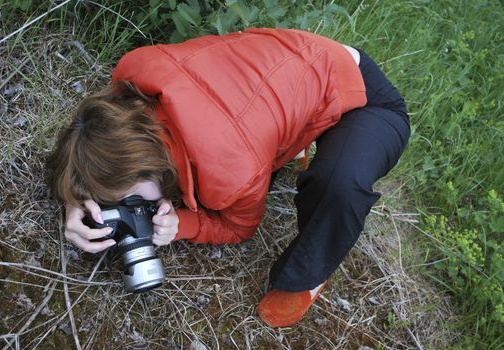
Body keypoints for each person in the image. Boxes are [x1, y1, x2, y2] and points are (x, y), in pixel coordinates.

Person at [46, 28, 410, 327]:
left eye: (122, 197)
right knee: (274, 133)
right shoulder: (132, 80)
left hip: (367, 97)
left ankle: (306, 277)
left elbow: (239, 228)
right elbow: (90, 138)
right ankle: (298, 132)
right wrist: (74, 198)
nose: (123, 206)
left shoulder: (230, 171)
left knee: (337, 183)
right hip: (295, 60)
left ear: (143, 165)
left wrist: (183, 224)